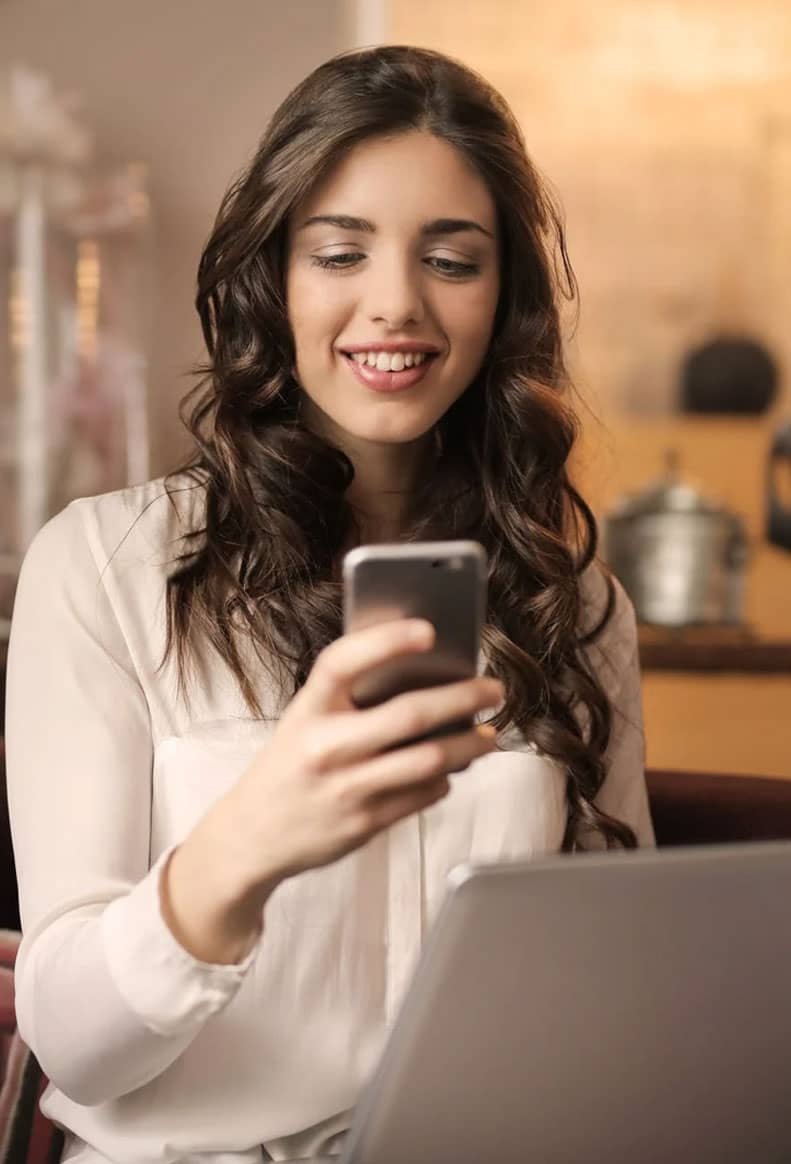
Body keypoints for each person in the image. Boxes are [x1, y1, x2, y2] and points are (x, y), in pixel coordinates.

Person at [5, 44, 654, 1164]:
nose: (394, 303)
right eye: (339, 251)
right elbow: (73, 1041)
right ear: (275, 280)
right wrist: (253, 839)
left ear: (502, 300)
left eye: (451, 259)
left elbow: (627, 978)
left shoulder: (572, 605)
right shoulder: (105, 569)